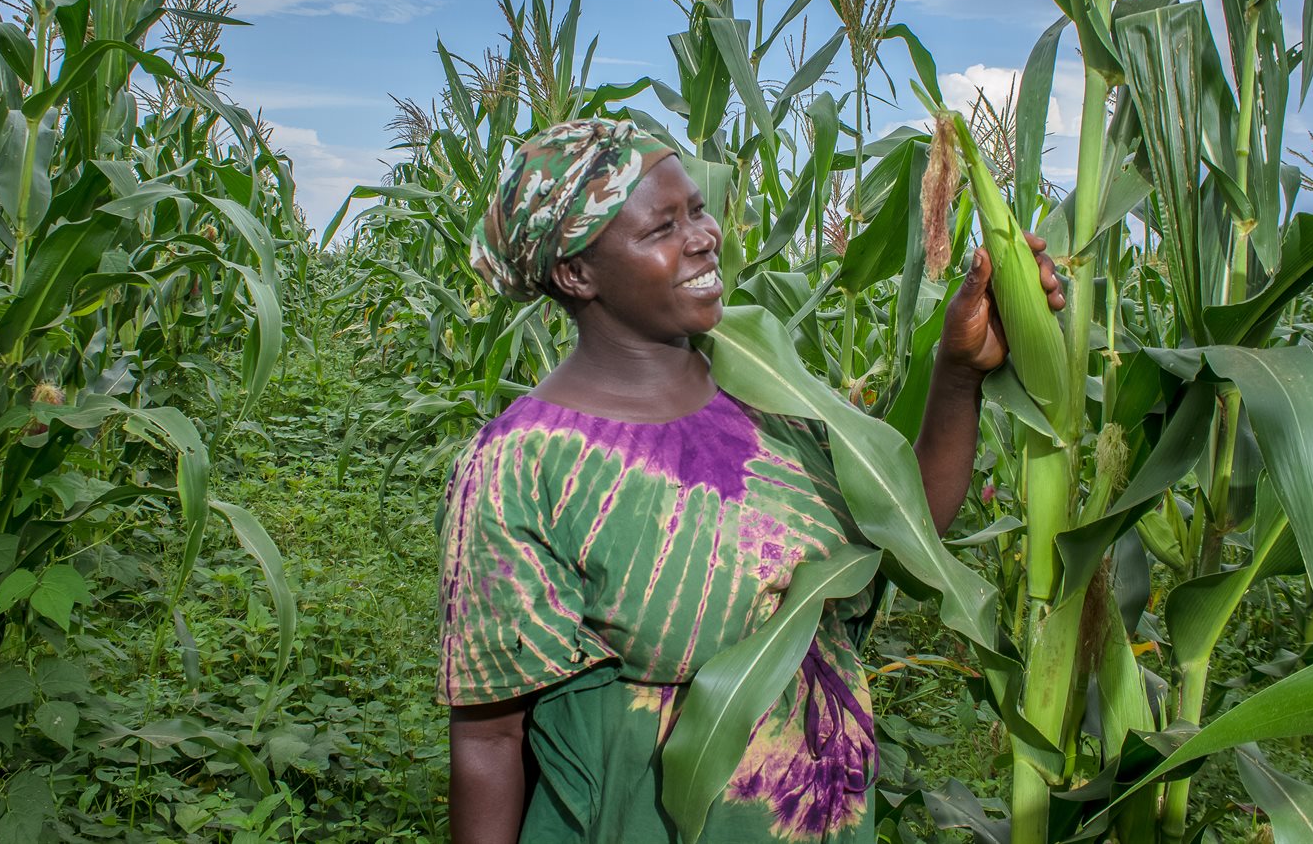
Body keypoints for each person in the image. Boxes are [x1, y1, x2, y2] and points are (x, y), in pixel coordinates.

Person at [436, 118, 1063, 843]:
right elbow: (487, 741)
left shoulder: (766, 382)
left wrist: (958, 370)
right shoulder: (522, 464)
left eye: (697, 210)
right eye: (661, 228)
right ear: (575, 273)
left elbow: (904, 527)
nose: (702, 236)